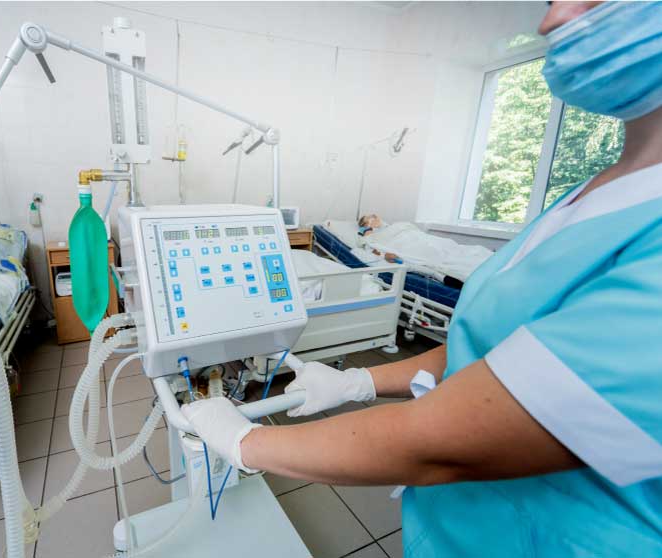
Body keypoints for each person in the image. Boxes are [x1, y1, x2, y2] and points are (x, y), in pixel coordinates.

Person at [184, 3, 662, 556]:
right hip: (464, 528)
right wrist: (360, 382)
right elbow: (495, 352)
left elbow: (438, 445)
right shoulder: (589, 195)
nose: (551, 23)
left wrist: (247, 442)